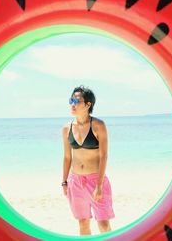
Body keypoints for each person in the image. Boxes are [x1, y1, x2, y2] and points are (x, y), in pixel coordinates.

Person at [61, 85, 114, 235]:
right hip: (75, 181)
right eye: (71, 100)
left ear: (88, 104)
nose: (73, 104)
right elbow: (66, 157)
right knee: (83, 223)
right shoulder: (66, 128)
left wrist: (99, 185)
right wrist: (64, 181)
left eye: (76, 100)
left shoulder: (98, 125)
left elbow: (104, 156)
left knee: (103, 224)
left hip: (95, 179)